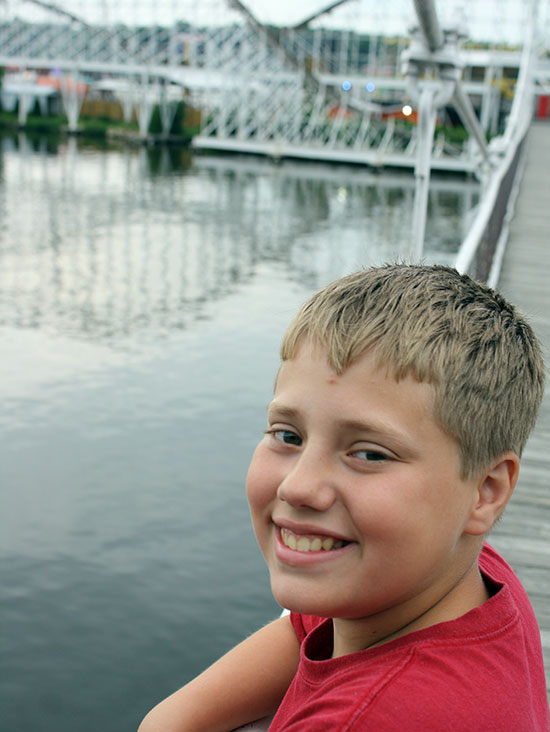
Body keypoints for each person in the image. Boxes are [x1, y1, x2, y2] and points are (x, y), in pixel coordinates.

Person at [139, 264, 550, 732]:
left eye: (370, 454)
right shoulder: (468, 575)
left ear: (486, 491)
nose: (297, 486)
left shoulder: (368, 718)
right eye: (287, 435)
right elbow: (305, 628)